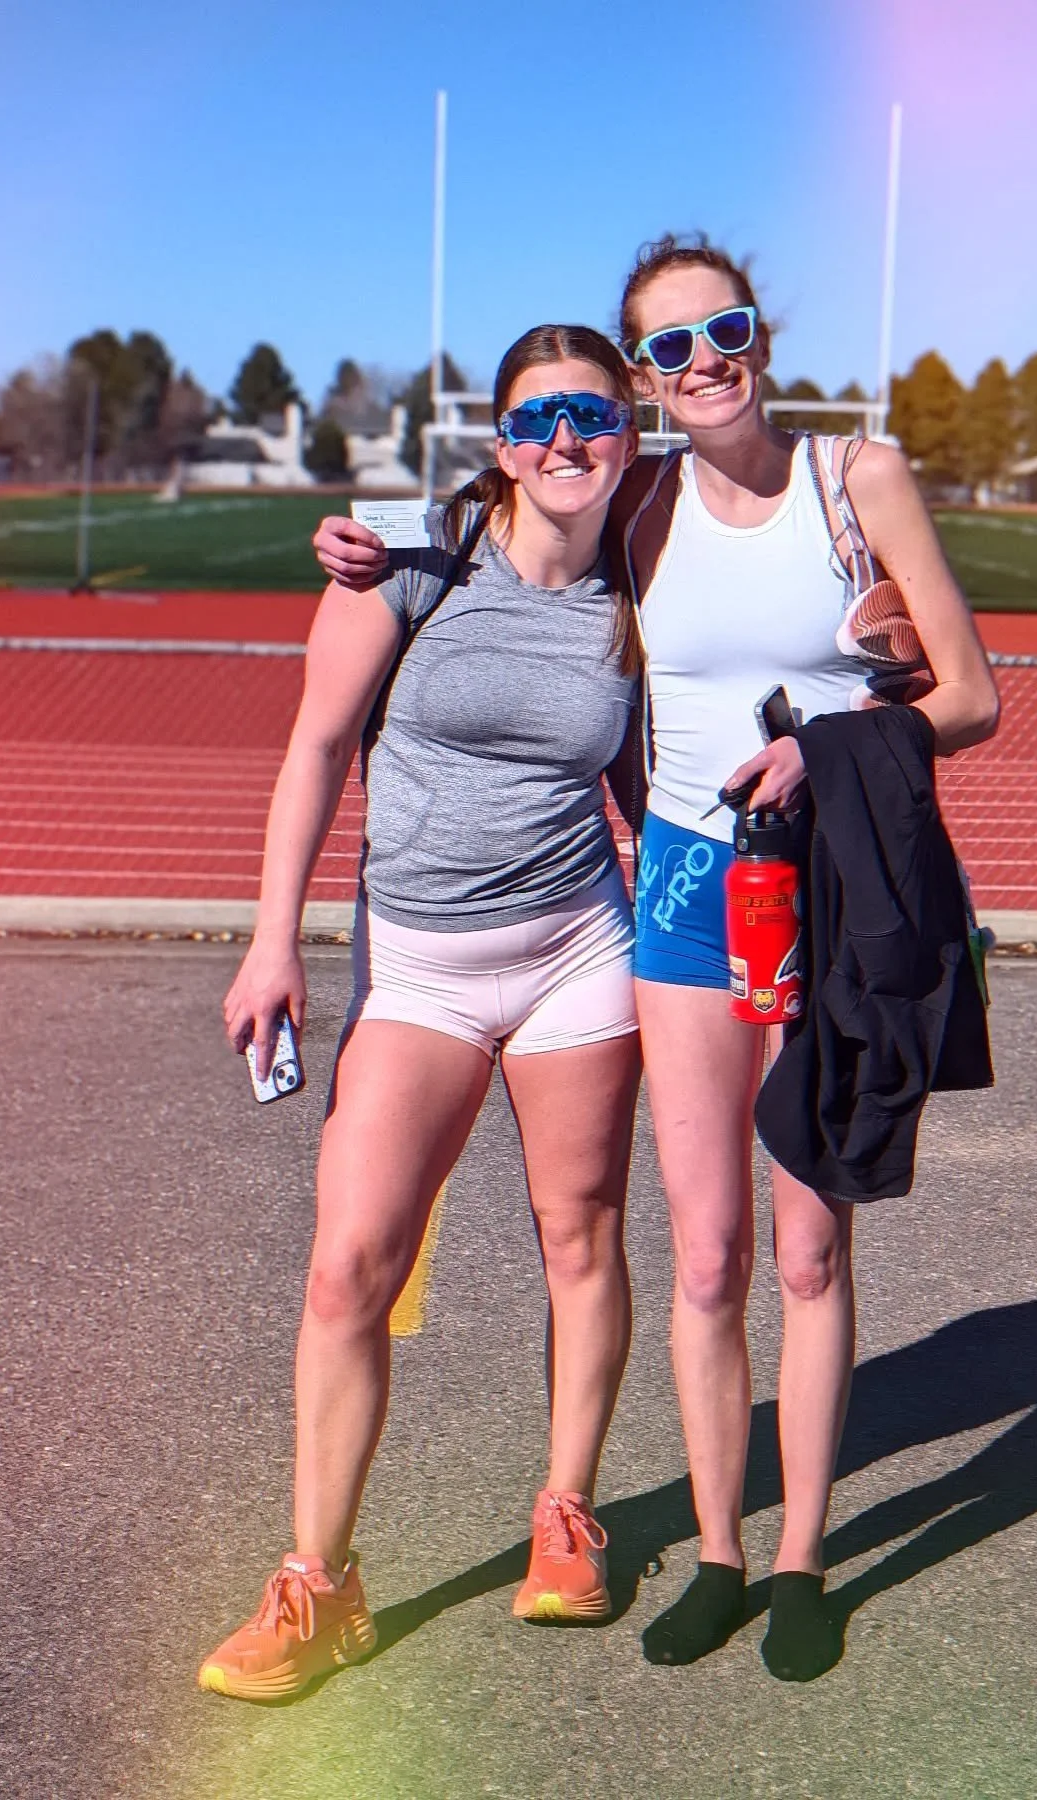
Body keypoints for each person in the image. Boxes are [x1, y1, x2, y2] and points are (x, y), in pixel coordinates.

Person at [313, 236, 1000, 1681]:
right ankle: (717, 1553)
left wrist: (841, 736)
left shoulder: (854, 481)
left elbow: (974, 698)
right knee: (706, 1259)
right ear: (643, 377)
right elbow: (498, 516)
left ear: (765, 333)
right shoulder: (640, 501)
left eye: (725, 330)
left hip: (833, 885)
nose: (703, 363)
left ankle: (804, 1558)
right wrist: (360, 539)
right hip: (686, 891)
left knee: (810, 1246)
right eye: (669, 349)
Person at [199, 324, 645, 1703]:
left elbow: (646, 783)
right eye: (532, 421)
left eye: (590, 416)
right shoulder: (415, 552)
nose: (562, 444)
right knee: (349, 1270)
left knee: (582, 1238)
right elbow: (319, 746)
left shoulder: (651, 577)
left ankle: (566, 1513)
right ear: (496, 439)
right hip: (424, 964)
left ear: (631, 430)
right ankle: (318, 1584)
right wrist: (272, 939)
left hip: (583, 950)